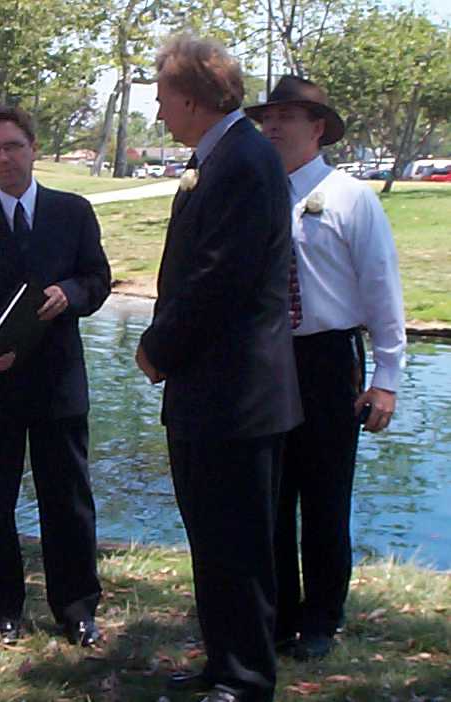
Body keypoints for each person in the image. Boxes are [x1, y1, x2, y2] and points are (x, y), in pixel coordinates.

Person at [135, 35, 302, 702]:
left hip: (238, 395)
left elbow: (218, 280)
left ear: (193, 97)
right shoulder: (219, 157)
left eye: (163, 97)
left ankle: (247, 677)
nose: (157, 111)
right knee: (211, 539)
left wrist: (158, 347)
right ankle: (222, 661)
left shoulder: (245, 162)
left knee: (239, 542)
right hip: (207, 392)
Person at [246, 76, 406, 660]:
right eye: (268, 117)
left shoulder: (351, 197)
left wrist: (386, 379)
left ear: (317, 129)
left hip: (328, 357)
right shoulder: (255, 194)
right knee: (269, 494)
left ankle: (321, 618)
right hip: (266, 359)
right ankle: (277, 614)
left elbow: (381, 287)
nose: (273, 127)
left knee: (324, 495)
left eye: (287, 117)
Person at [0, 106, 110, 648]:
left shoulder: (73, 211)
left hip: (59, 382)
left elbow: (98, 279)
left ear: (33, 148)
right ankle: (1, 612)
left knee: (68, 497)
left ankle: (77, 608)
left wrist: (71, 294)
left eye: (12, 146)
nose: (4, 158)